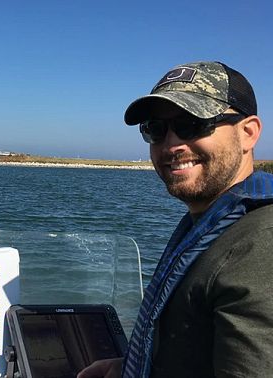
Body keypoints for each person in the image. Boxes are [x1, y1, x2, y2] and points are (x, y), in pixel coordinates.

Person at [79, 61, 273, 377]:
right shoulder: (211, 223)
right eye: (156, 129)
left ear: (248, 133)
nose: (171, 145)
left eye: (193, 124)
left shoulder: (260, 246)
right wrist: (130, 368)